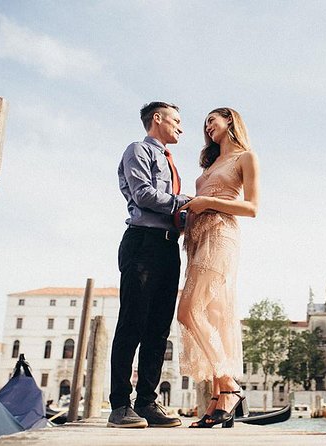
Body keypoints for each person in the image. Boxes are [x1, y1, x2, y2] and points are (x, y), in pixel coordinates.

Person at [107, 102, 190, 428]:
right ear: (158, 119)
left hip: (169, 249)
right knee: (132, 324)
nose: (181, 128)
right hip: (142, 244)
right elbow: (143, 195)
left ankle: (146, 403)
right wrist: (190, 203)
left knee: (158, 329)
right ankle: (119, 406)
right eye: (177, 120)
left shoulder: (170, 161)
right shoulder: (138, 150)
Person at [177, 107, 259, 428]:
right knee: (211, 316)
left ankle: (229, 386)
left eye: (213, 119)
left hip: (222, 234)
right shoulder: (211, 164)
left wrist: (207, 202)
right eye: (205, 123)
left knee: (188, 311)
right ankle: (217, 402)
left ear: (231, 120)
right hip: (196, 237)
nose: (208, 126)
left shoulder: (245, 157)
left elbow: (252, 207)